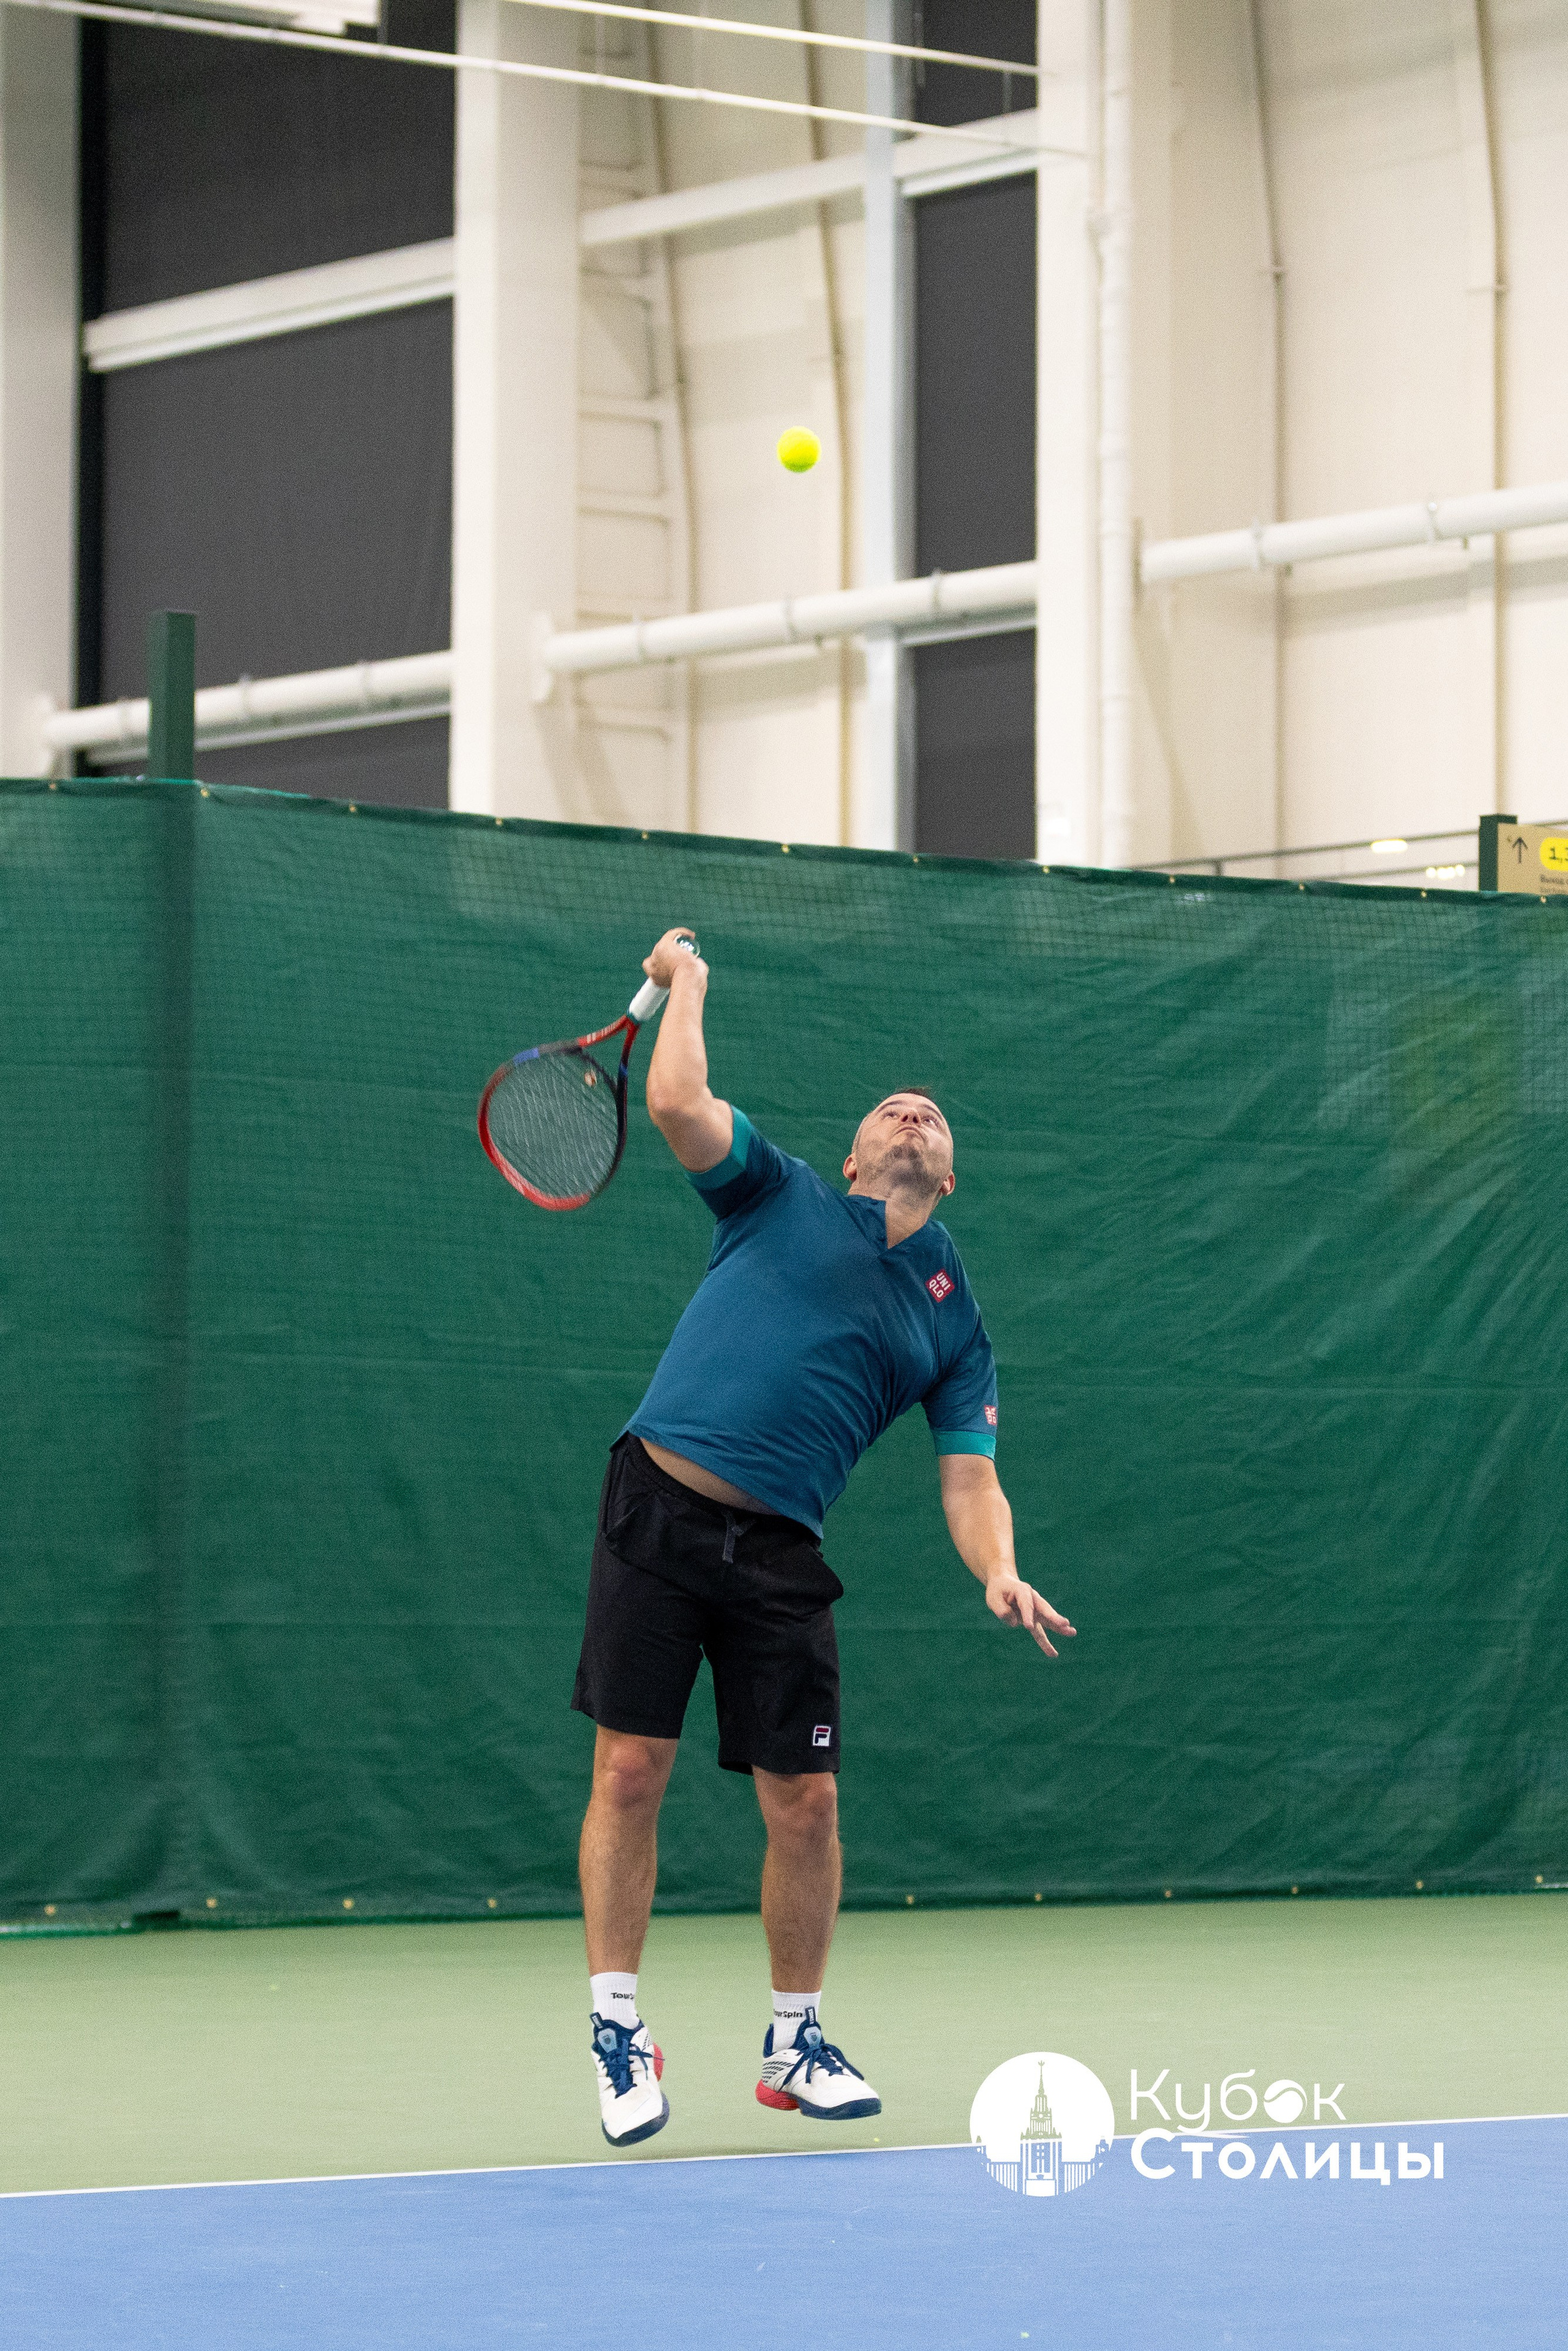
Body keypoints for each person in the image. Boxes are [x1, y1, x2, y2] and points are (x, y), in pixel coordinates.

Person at [572, 927, 1076, 2147]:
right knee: (630, 1770)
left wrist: (997, 1566)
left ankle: (792, 2039)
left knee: (805, 1801)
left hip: (779, 1555)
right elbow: (676, 1095)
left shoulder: (954, 1322)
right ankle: (617, 2027)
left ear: (942, 1177)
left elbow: (969, 1482)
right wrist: (688, 984)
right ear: (854, 1154)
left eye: (932, 1118)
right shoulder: (774, 1191)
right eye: (893, 1110)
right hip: (657, 1500)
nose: (914, 1114)